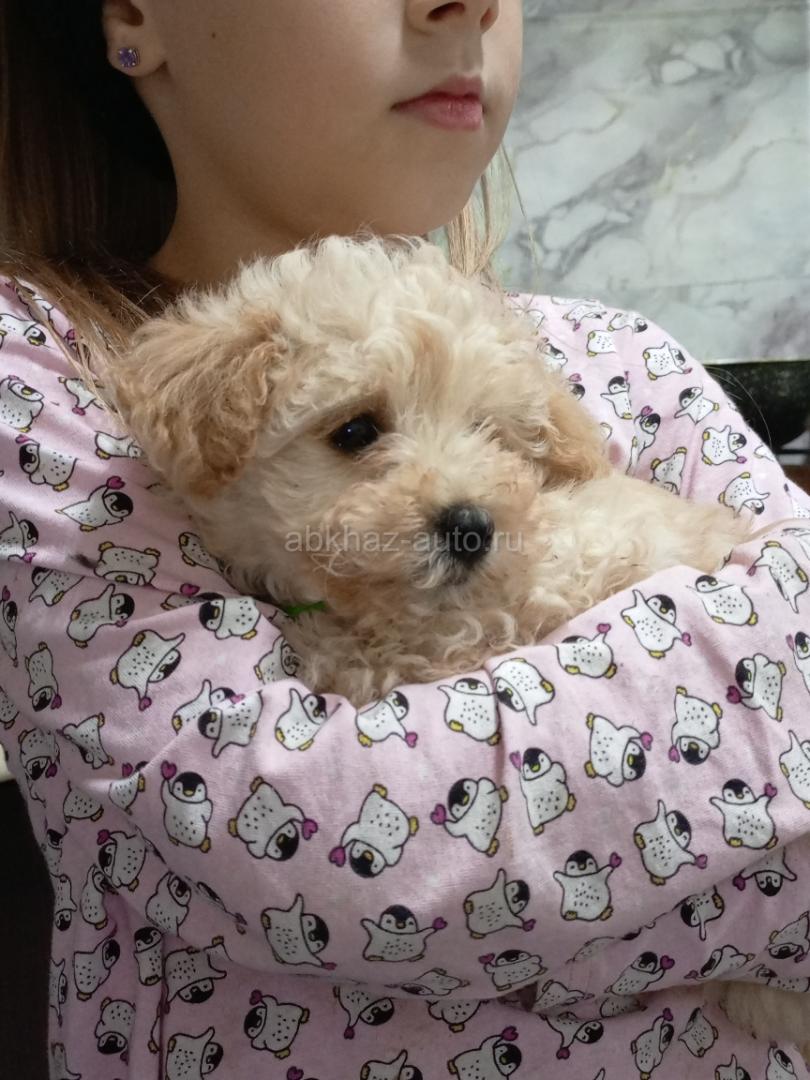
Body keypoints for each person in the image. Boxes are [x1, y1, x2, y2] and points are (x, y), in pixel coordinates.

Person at [1, 2, 809, 1077]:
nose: (467, 2)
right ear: (137, 12)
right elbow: (329, 856)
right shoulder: (51, 379)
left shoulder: (621, 356)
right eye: (356, 433)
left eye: (496, 438)